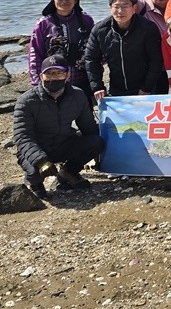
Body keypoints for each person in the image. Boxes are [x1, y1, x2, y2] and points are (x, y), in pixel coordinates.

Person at [14, 55, 104, 200]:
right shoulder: (26, 101)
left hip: (64, 143)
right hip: (37, 147)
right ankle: (34, 182)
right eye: (49, 73)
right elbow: (22, 136)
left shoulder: (78, 95)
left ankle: (68, 172)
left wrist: (101, 155)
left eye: (59, 73)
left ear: (67, 75)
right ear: (41, 76)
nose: (53, 77)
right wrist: (41, 161)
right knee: (37, 183)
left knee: (96, 142)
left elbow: (89, 128)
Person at [84, 0, 166, 101]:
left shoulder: (148, 28)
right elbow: (91, 59)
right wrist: (97, 86)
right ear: (110, 8)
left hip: (145, 87)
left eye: (125, 6)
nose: (120, 11)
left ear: (134, 8)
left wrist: (146, 88)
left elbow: (156, 60)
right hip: (116, 88)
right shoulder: (100, 30)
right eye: (116, 6)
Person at [28, 0, 95, 98]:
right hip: (54, 82)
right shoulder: (43, 24)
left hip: (83, 79)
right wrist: (36, 84)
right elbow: (34, 54)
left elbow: (95, 50)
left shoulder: (86, 20)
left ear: (76, 0)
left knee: (85, 109)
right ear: (53, 0)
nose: (64, 1)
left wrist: (95, 79)